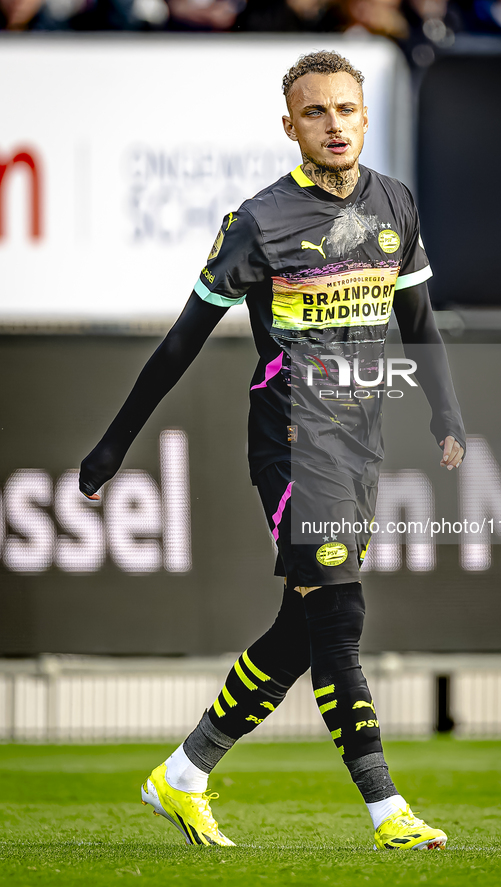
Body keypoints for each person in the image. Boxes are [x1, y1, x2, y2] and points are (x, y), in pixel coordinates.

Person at [79, 49, 465, 851]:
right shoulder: (259, 221)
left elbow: (420, 322)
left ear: (364, 117)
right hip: (290, 435)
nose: (333, 124)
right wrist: (116, 442)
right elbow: (183, 341)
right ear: (288, 126)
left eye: (345, 109)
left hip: (359, 440)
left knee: (302, 627)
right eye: (314, 112)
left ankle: (183, 774)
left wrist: (444, 415)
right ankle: (386, 810)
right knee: (341, 613)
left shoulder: (395, 202)